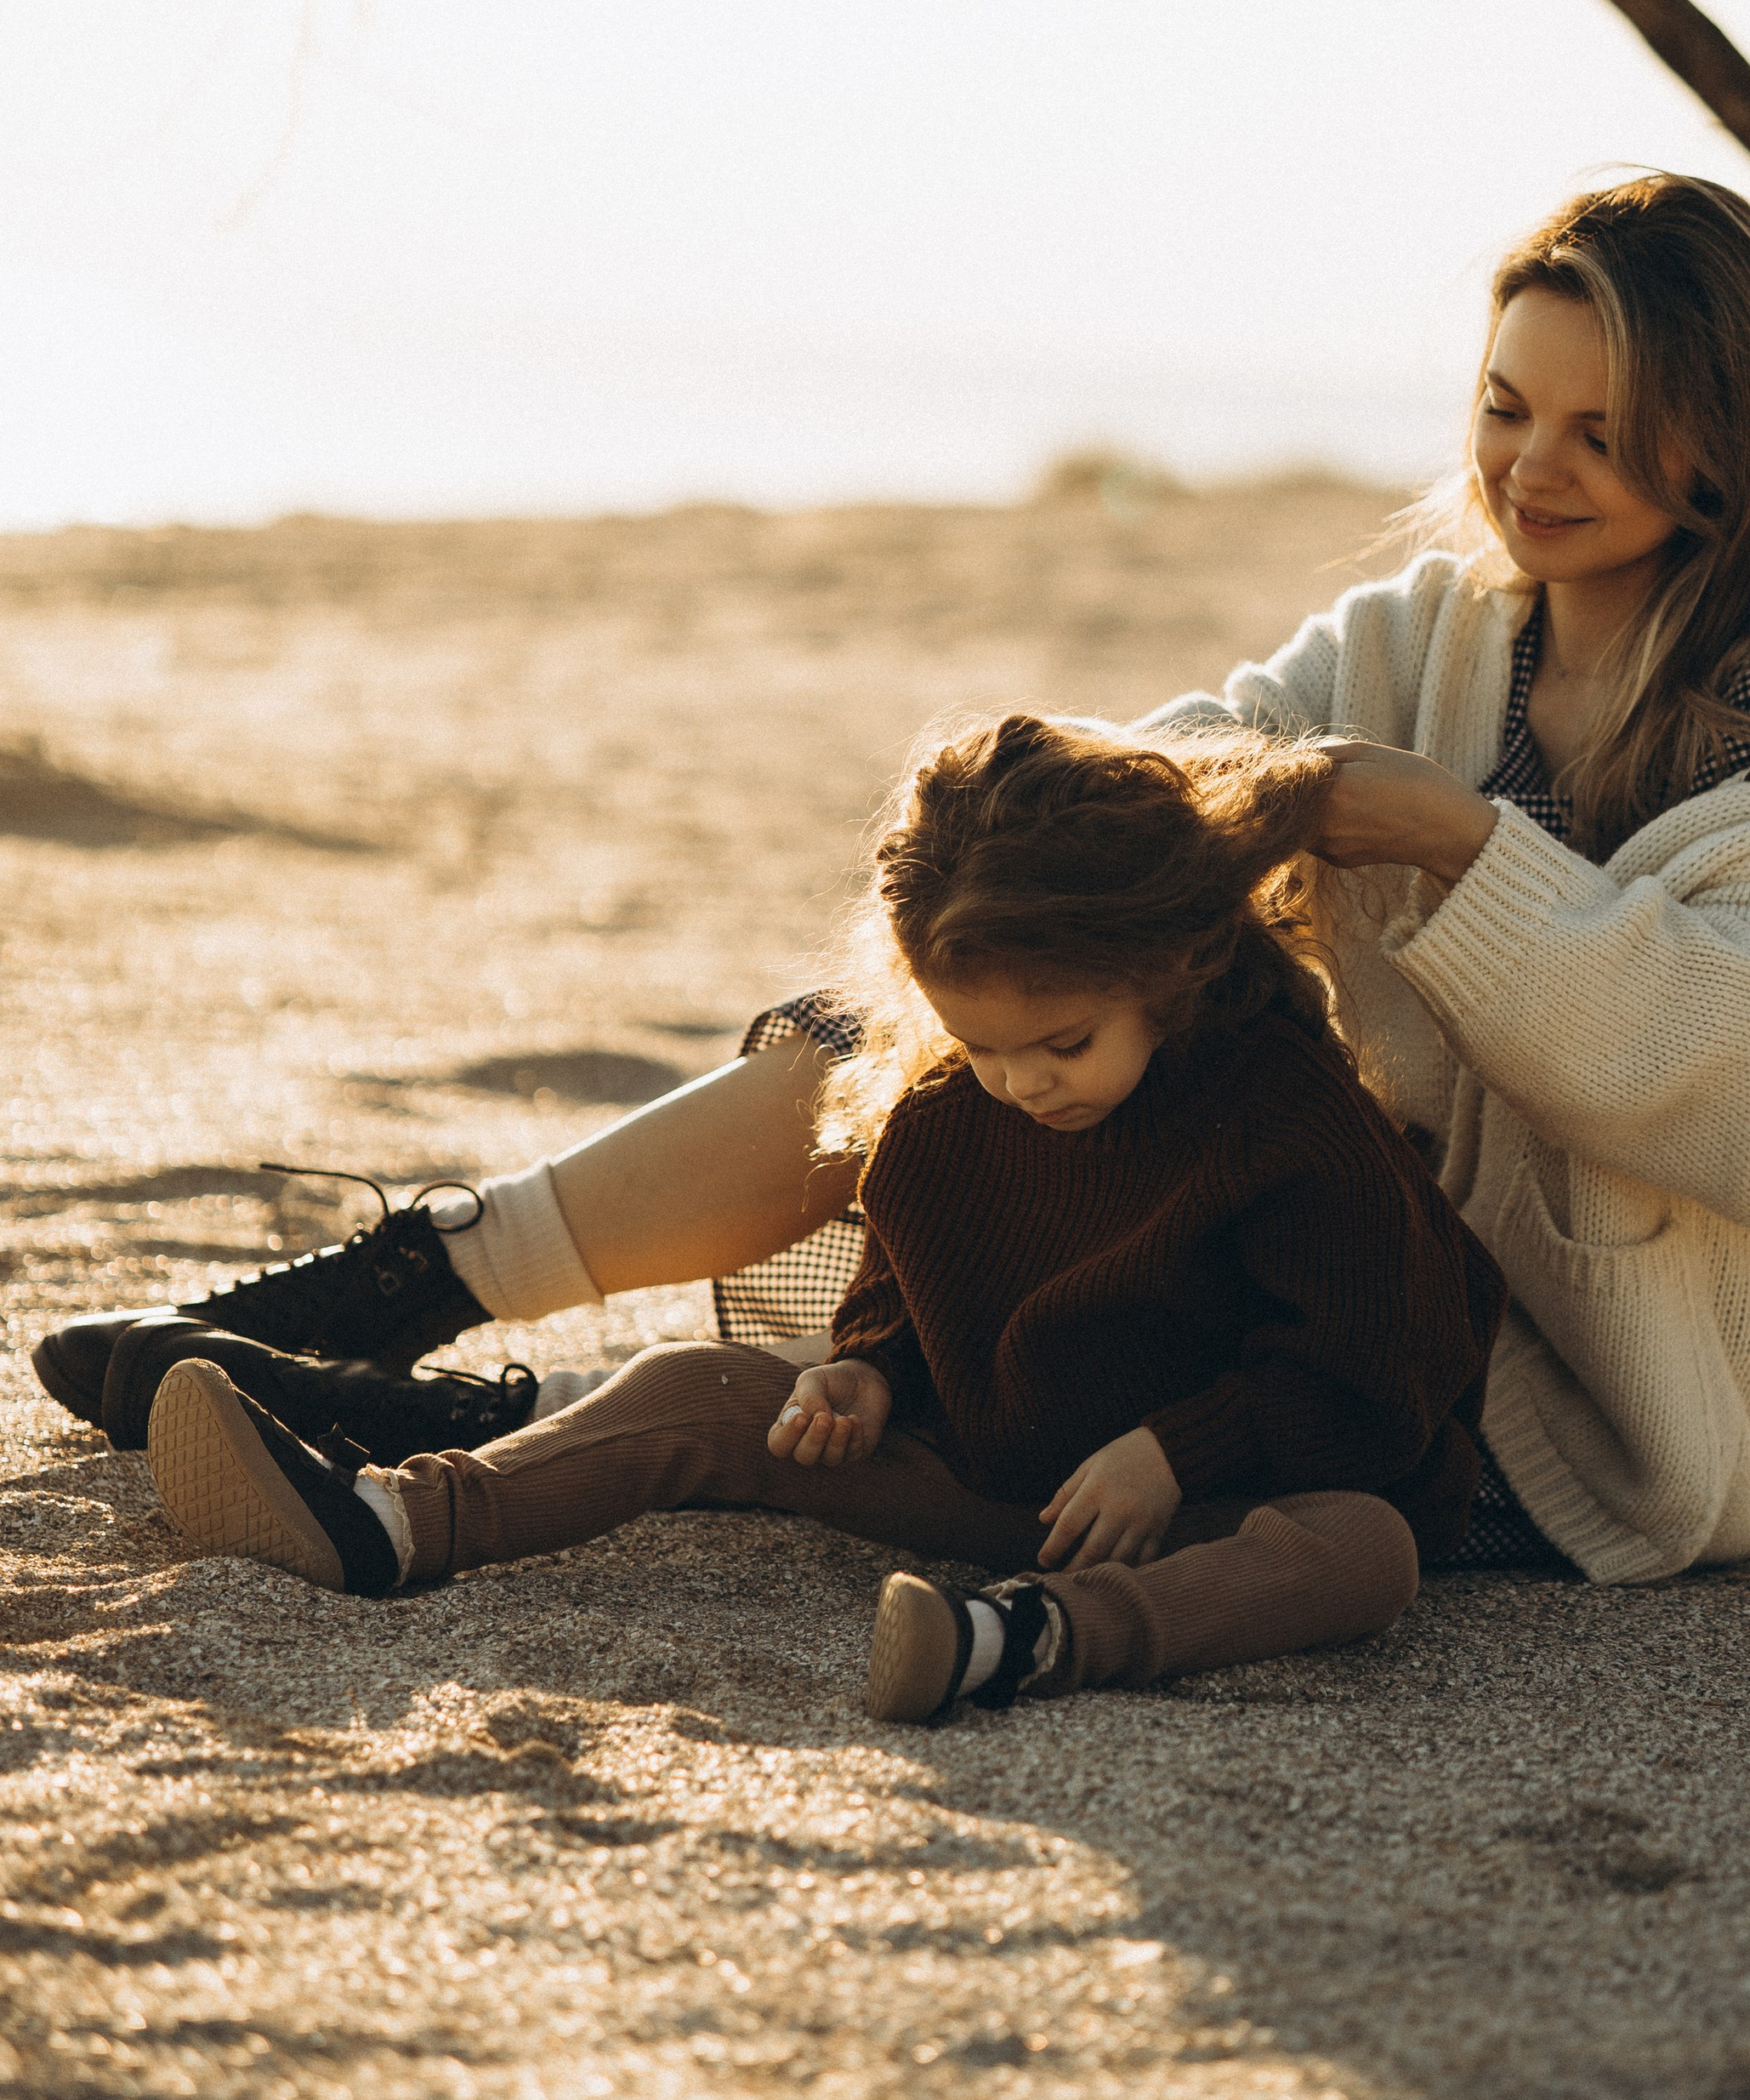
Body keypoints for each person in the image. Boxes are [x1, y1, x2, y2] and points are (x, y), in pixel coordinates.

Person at [45, 170, 1750, 1584]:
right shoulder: (1434, 631)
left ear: (1725, 438)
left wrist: (1439, 834)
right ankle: (377, 1309)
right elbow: (1151, 766)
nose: (1531, 467)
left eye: (1599, 431)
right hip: (1278, 1246)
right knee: (965, 1017)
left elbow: (1744, 1089)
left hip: (1514, 1402)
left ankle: (451, 1437)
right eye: (1508, 407)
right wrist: (996, 922)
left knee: (1009, 1227)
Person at [144, 717, 1504, 1722]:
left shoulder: (1287, 1112)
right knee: (700, 1385)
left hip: (1209, 1513)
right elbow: (913, 1293)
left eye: (1066, 1045)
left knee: (1365, 1553)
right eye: (982, 1048)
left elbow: (1378, 1375)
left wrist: (1174, 1452)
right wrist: (864, 1371)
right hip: (990, 1479)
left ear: (1179, 966)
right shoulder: (937, 1110)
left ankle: (1029, 1642)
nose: (1023, 1084)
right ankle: (398, 1522)